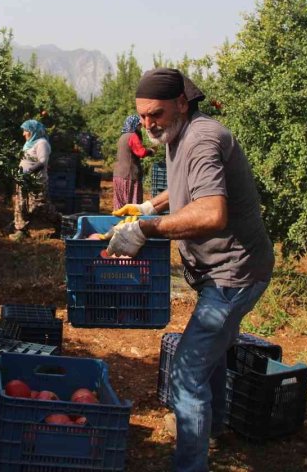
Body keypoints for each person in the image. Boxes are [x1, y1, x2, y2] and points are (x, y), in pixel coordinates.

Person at [107, 68, 274, 472]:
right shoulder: (179, 133)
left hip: (233, 274)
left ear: (182, 103)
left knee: (185, 375)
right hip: (220, 270)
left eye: (156, 114)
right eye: (143, 116)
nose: (149, 124)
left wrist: (147, 229)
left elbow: (213, 212)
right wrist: (152, 206)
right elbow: (187, 185)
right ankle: (212, 427)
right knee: (210, 358)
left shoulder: (201, 139)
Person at [10, 119, 60, 241]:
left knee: (39, 206)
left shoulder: (41, 143)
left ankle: (60, 223)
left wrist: (28, 172)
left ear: (33, 131)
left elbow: (42, 162)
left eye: (25, 131)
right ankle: (21, 230)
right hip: (23, 181)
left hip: (36, 182)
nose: (23, 134)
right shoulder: (28, 144)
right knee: (20, 204)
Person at [112, 114, 155, 211]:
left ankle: (118, 225)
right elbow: (141, 152)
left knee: (120, 207)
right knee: (132, 207)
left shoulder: (122, 136)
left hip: (118, 175)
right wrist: (150, 151)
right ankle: (130, 226)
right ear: (135, 125)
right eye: (139, 125)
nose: (141, 127)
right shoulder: (133, 136)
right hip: (129, 176)